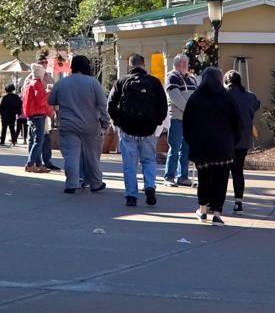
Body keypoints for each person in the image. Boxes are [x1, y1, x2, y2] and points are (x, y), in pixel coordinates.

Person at [180, 67, 240, 224]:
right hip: (223, 147)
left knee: (204, 179)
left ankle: (202, 210)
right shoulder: (227, 98)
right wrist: (234, 143)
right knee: (221, 180)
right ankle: (217, 213)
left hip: (202, 147)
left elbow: (187, 123)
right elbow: (237, 123)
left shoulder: (195, 98)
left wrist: (191, 141)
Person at [107, 53, 167, 207]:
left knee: (129, 164)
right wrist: (156, 121)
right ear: (144, 65)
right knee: (148, 160)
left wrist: (119, 122)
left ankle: (131, 196)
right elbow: (163, 105)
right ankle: (149, 186)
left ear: (130, 65)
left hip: (128, 129)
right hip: (148, 129)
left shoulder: (121, 82)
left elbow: (111, 105)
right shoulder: (154, 82)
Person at [50, 53, 110, 194]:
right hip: (90, 124)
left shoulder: (62, 83)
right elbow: (102, 104)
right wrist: (106, 122)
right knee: (92, 156)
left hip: (68, 124)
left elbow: (51, 100)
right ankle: (96, 183)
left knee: (71, 155)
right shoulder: (93, 83)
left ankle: (71, 184)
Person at [225, 70, 261, 214]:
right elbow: (257, 104)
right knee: (238, 171)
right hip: (243, 140)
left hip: (225, 139)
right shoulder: (250, 97)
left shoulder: (224, 95)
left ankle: (214, 202)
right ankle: (238, 202)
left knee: (221, 172)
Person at [163, 55, 198, 188]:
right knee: (175, 147)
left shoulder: (191, 79)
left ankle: (182, 176)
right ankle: (169, 176)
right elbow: (175, 97)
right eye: (184, 63)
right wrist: (190, 110)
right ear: (179, 64)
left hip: (189, 119)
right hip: (177, 118)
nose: (186, 65)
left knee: (186, 148)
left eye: (187, 63)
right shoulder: (172, 77)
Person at [21, 63, 55, 173]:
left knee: (33, 140)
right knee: (38, 140)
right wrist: (48, 93)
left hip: (31, 114)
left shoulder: (29, 83)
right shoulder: (38, 84)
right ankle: (30, 163)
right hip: (38, 114)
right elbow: (41, 100)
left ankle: (37, 164)